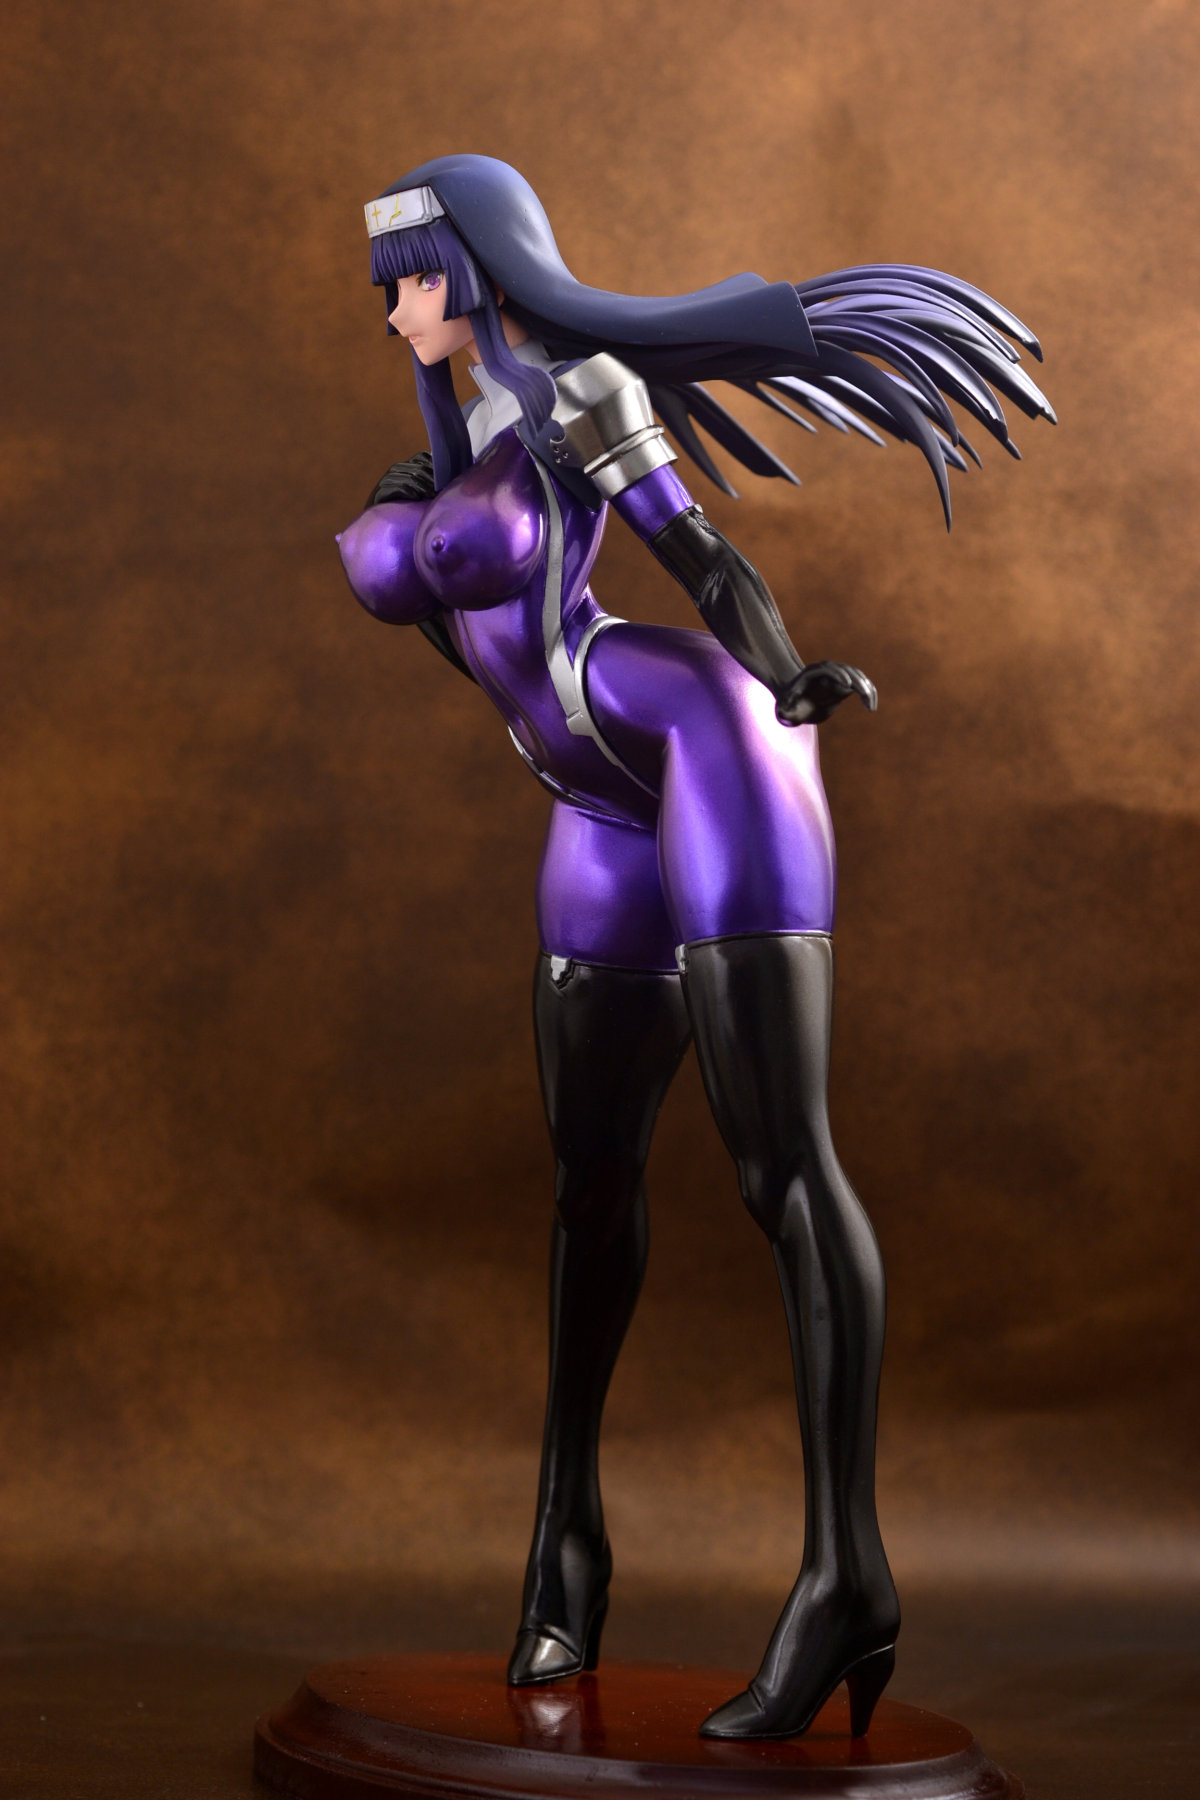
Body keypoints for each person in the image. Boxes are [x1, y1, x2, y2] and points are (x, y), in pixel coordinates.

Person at [337, 155, 1053, 1741]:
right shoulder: (457, 433)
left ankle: (847, 1576)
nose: (394, 307)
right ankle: (563, 1554)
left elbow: (703, 559)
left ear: (474, 266)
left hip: (701, 740)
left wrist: (791, 677)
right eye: (387, 282)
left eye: (411, 273)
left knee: (780, 1166)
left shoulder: (579, 394)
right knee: (586, 1189)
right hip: (589, 798)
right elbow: (472, 625)